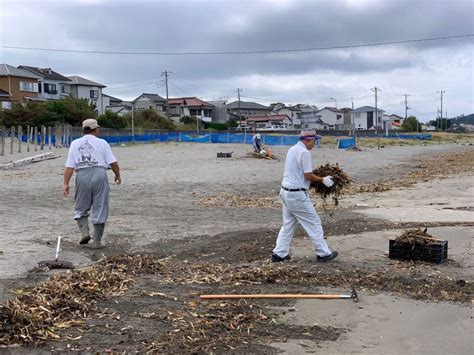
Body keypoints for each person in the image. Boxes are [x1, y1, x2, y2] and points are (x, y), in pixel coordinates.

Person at [272, 130, 338, 262]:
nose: (314, 144)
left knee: (288, 225)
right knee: (314, 223)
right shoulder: (304, 152)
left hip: (285, 191)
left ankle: (279, 253)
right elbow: (308, 175)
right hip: (296, 194)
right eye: (314, 141)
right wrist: (323, 179)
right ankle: (323, 253)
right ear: (308, 140)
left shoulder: (292, 149)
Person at [63, 118, 121, 249]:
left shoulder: (75, 143)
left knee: (81, 206)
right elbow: (113, 163)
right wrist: (117, 175)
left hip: (82, 174)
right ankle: (97, 241)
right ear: (96, 129)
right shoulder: (102, 143)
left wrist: (65, 183)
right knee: (100, 205)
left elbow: (69, 167)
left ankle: (84, 232)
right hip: (100, 173)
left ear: (84, 130)